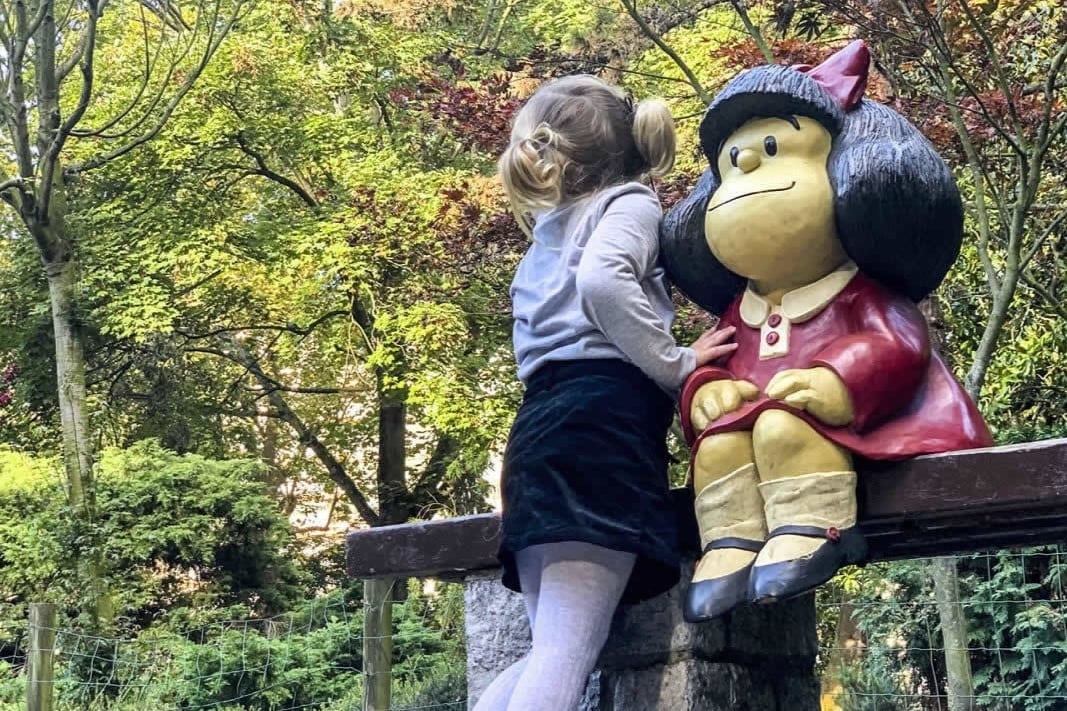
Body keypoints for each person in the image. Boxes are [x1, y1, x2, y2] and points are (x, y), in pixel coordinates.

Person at [659, 40, 992, 623]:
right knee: (717, 448)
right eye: (733, 161)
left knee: (786, 428)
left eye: (771, 148)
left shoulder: (857, 291)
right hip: (753, 427)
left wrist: (839, 379)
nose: (749, 170)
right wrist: (705, 390)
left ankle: (816, 526)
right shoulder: (745, 306)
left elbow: (900, 344)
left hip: (851, 427)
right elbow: (716, 357)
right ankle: (731, 543)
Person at [473, 75, 737, 711]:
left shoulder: (550, 233)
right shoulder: (630, 202)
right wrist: (676, 365)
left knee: (548, 652)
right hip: (600, 428)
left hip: (539, 431)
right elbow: (604, 281)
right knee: (563, 659)